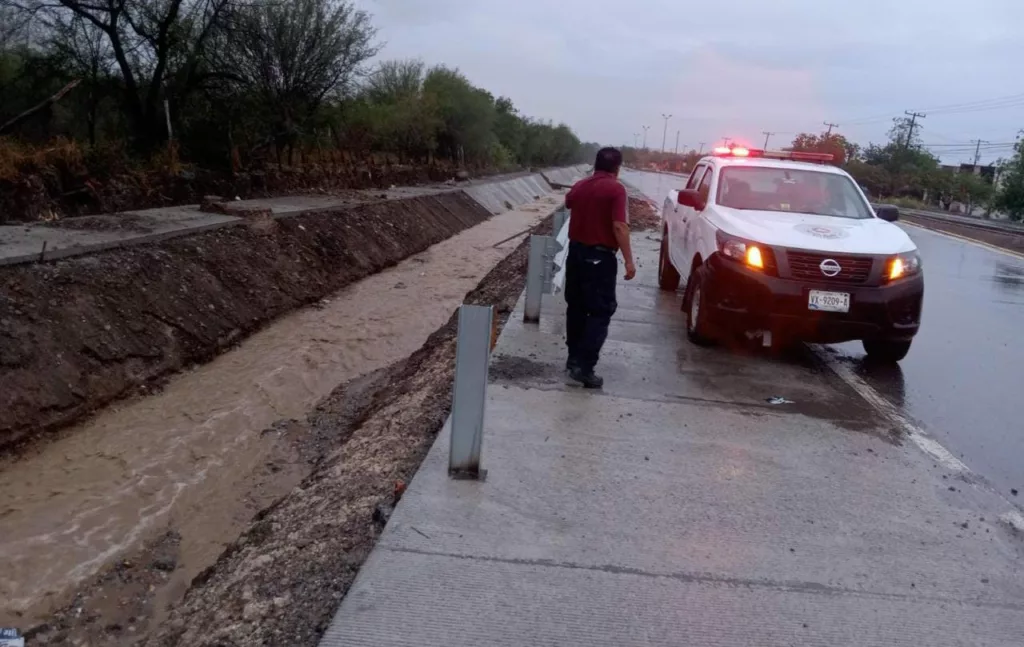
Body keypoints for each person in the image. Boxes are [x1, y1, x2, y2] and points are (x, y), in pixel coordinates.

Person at [562, 147, 636, 389]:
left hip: (575, 255)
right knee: (600, 311)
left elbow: (569, 202)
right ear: (617, 168)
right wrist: (629, 260)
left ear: (595, 165)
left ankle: (573, 360)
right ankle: (585, 368)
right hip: (599, 258)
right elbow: (619, 227)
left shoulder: (581, 185)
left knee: (576, 307)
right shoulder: (616, 189)